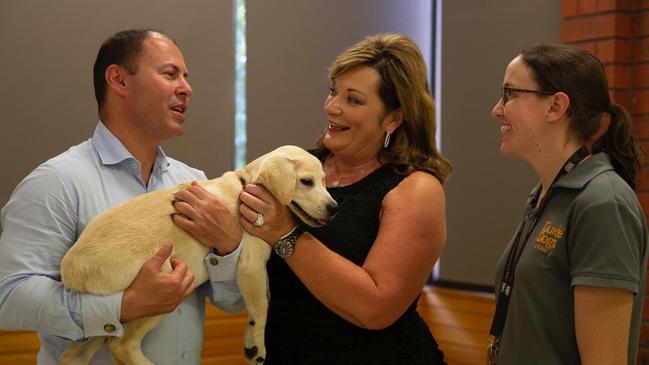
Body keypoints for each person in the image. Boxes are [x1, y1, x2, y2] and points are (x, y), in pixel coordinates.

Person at [0, 29, 244, 364]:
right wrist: (124, 306)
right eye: (170, 74)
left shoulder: (195, 184)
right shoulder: (55, 183)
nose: (187, 88)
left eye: (186, 77)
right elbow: (9, 300)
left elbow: (231, 302)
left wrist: (230, 246)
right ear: (119, 80)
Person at [238, 33, 451, 364]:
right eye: (332, 91)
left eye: (353, 100)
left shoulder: (415, 189)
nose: (331, 107)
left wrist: (285, 233)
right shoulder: (295, 166)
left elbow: (375, 308)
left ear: (394, 118)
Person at [488, 43, 648, 365]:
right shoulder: (546, 193)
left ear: (556, 106)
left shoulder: (603, 201)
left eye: (510, 94)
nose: (497, 109)